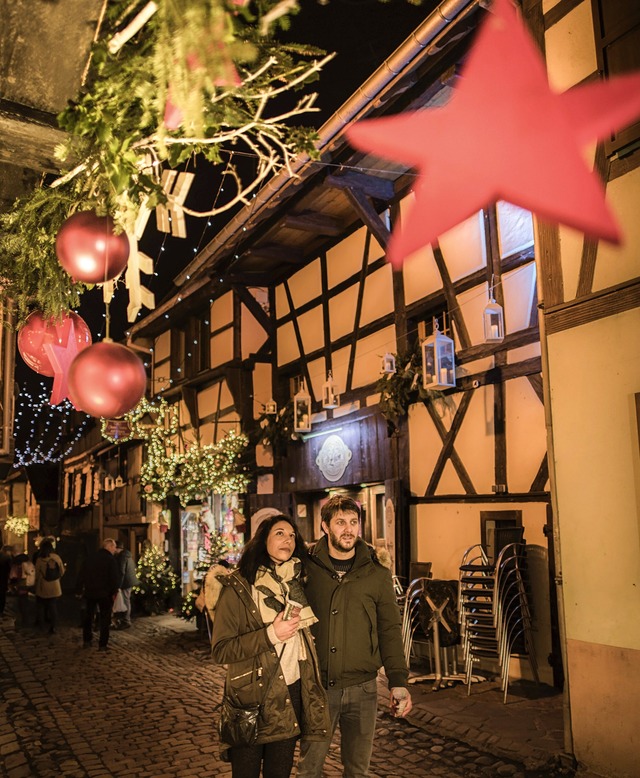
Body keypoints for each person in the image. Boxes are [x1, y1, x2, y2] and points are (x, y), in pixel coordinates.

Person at [297, 494, 413, 778]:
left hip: (363, 689)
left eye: (353, 522)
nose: (348, 529)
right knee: (309, 769)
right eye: (340, 523)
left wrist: (398, 682)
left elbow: (389, 628)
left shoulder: (376, 571)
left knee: (358, 771)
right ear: (325, 526)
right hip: (318, 687)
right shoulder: (305, 568)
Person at [211, 514, 330, 777]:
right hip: (251, 697)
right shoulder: (238, 587)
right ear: (262, 539)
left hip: (291, 691)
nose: (287, 539)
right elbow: (221, 650)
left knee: (280, 772)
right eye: (279, 533)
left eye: (291, 535)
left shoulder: (297, 583)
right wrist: (271, 634)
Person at [76, 538, 120, 651]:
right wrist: (114, 592)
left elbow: (81, 574)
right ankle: (102, 644)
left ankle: (87, 640)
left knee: (88, 617)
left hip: (90, 592)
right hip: (104, 594)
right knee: (105, 619)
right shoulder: (110, 560)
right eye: (114, 547)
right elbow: (114, 578)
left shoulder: (90, 558)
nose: (115, 550)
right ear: (109, 547)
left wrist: (79, 590)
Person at [34, 538, 65, 633]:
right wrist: (56, 578)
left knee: (41, 606)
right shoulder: (56, 557)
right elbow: (62, 571)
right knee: (53, 607)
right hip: (54, 586)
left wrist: (36, 584)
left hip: (43, 586)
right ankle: (53, 626)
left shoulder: (40, 559)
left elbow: (37, 574)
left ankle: (41, 626)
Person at [113, 539, 138, 629]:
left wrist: (118, 585)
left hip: (125, 582)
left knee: (125, 601)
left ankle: (126, 620)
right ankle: (124, 619)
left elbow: (121, 571)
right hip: (129, 581)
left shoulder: (122, 556)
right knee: (125, 600)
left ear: (117, 548)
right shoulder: (127, 555)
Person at [8, 545, 32, 628]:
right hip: (27, 583)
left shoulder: (16, 562)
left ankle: (23, 620)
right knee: (25, 601)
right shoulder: (27, 561)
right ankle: (26, 619)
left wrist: (11, 585)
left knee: (21, 603)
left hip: (20, 584)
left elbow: (12, 576)